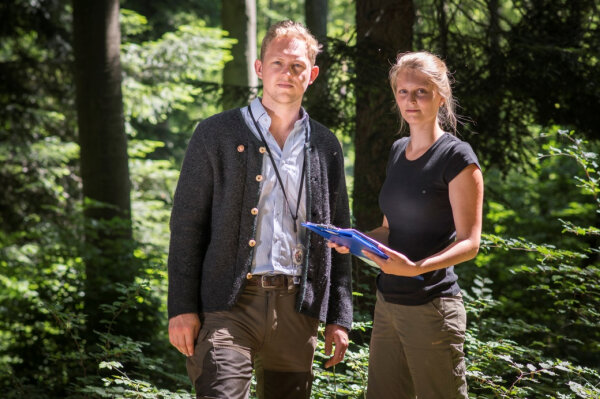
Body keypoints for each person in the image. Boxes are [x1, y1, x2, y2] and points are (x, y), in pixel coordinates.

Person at [167, 20, 353, 399]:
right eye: (278, 63)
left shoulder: (325, 144)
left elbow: (340, 234)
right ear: (259, 68)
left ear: (312, 74)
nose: (287, 73)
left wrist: (338, 317)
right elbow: (187, 225)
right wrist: (181, 307)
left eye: (297, 66)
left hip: (299, 308)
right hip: (229, 304)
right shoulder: (215, 133)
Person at [330, 51, 484, 398]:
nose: (410, 100)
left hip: (432, 307)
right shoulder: (398, 150)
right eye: (403, 92)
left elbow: (470, 242)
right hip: (388, 303)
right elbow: (389, 229)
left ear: (441, 96)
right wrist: (354, 240)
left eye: (421, 92)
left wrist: (417, 268)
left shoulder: (457, 157)